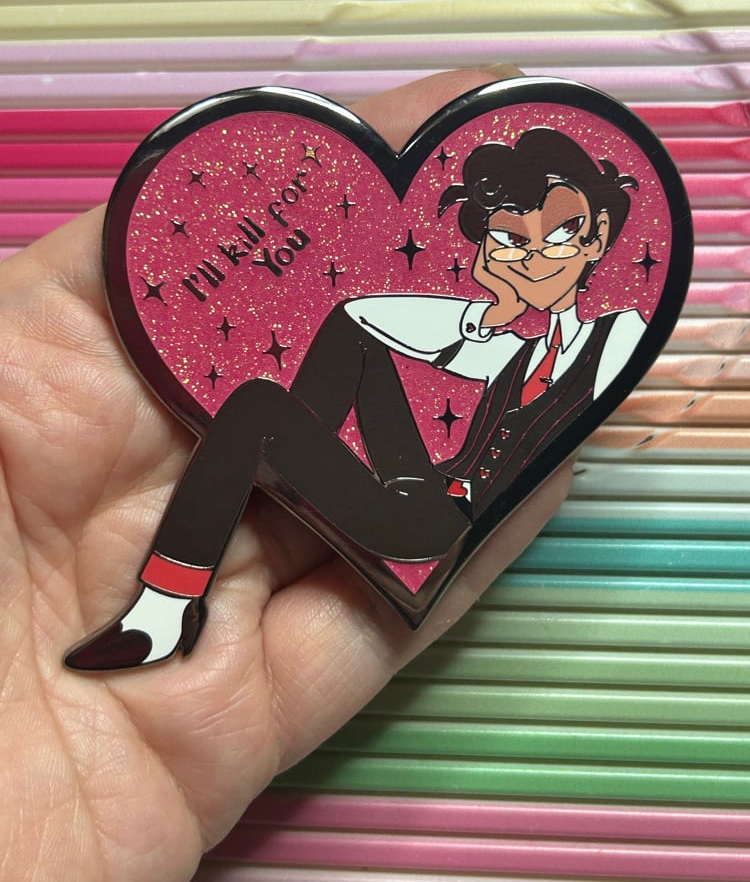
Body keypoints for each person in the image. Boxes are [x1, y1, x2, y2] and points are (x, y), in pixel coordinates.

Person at [64, 106, 645, 673]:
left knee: (257, 408)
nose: (537, 256)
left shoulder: (615, 335)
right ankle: (279, 469)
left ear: (598, 235)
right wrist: (493, 308)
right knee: (352, 335)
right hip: (422, 488)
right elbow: (362, 314)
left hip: (431, 528)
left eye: (562, 233)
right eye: (511, 241)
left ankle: (164, 610)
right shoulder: (512, 349)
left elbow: (633, 340)